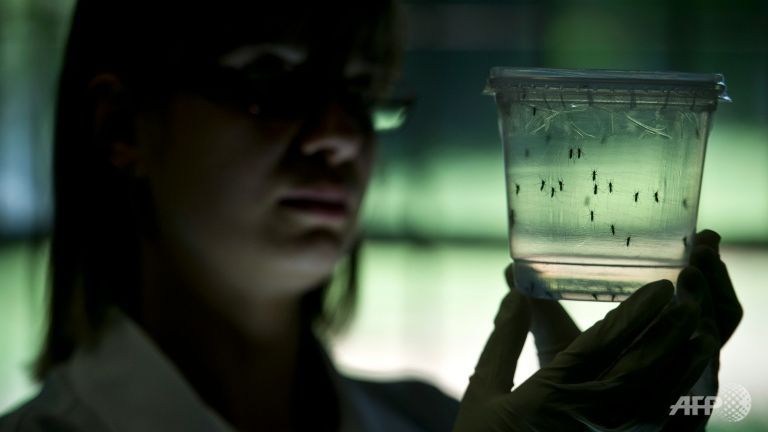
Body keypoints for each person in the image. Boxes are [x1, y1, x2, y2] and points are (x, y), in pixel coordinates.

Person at [0, 0, 742, 431]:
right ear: (120, 128)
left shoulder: (429, 420)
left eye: (360, 90)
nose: (339, 134)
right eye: (270, 76)